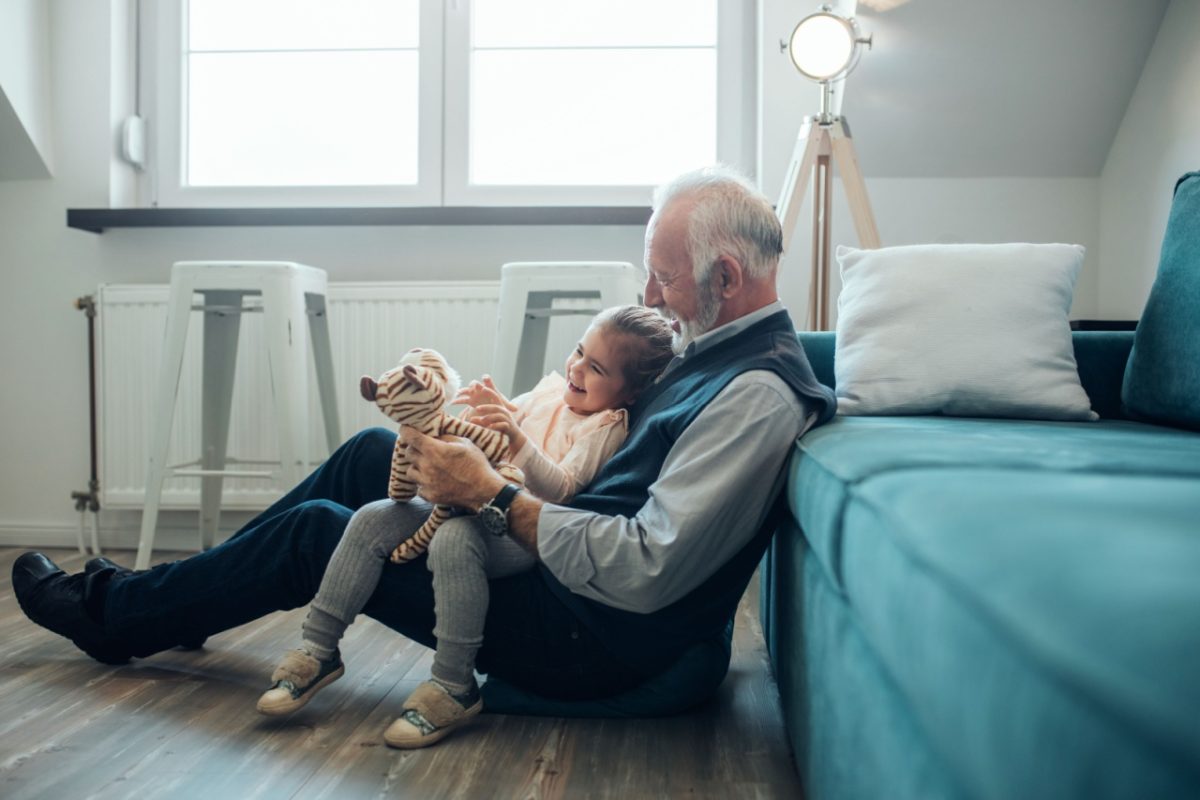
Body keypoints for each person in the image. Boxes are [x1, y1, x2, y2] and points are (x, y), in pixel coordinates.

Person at [12, 165, 836, 749]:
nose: (650, 297)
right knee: (375, 450)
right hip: (558, 567)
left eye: (662, 279)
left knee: (321, 532)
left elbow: (648, 568)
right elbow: (599, 459)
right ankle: (177, 605)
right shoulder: (713, 345)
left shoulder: (754, 395)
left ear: (725, 276)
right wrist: (501, 440)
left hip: (592, 635)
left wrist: (495, 498)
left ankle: (110, 618)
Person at [256, 305, 675, 749]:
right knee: (371, 518)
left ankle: (453, 684)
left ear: (629, 393)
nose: (577, 369)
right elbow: (504, 426)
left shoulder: (605, 425)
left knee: (454, 541)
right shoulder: (554, 389)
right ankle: (317, 650)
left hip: (519, 527)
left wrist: (515, 437)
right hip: (467, 498)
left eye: (596, 369)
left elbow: (563, 489)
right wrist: (492, 410)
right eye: (578, 352)